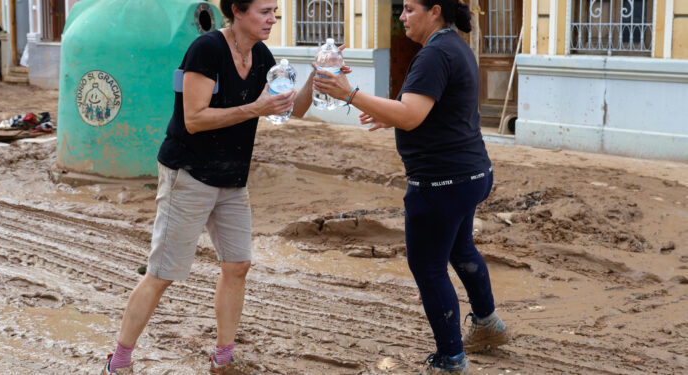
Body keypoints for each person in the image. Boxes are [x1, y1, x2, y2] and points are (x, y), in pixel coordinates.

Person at [100, 0, 348, 374]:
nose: (273, 19)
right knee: (163, 273)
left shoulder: (262, 55)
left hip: (232, 178)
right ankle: (118, 362)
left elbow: (291, 109)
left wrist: (317, 73)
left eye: (275, 12)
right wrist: (256, 108)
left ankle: (223, 357)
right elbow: (195, 118)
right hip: (189, 173)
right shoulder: (207, 49)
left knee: (238, 265)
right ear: (238, 10)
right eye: (265, 11)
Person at [313, 0, 509, 373]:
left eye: (408, 9)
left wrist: (349, 94)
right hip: (472, 174)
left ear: (434, 11)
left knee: (428, 267)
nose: (401, 17)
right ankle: (488, 325)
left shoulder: (435, 53)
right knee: (461, 247)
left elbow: (411, 113)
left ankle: (451, 360)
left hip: (441, 183)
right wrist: (392, 115)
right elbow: (425, 110)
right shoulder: (455, 45)